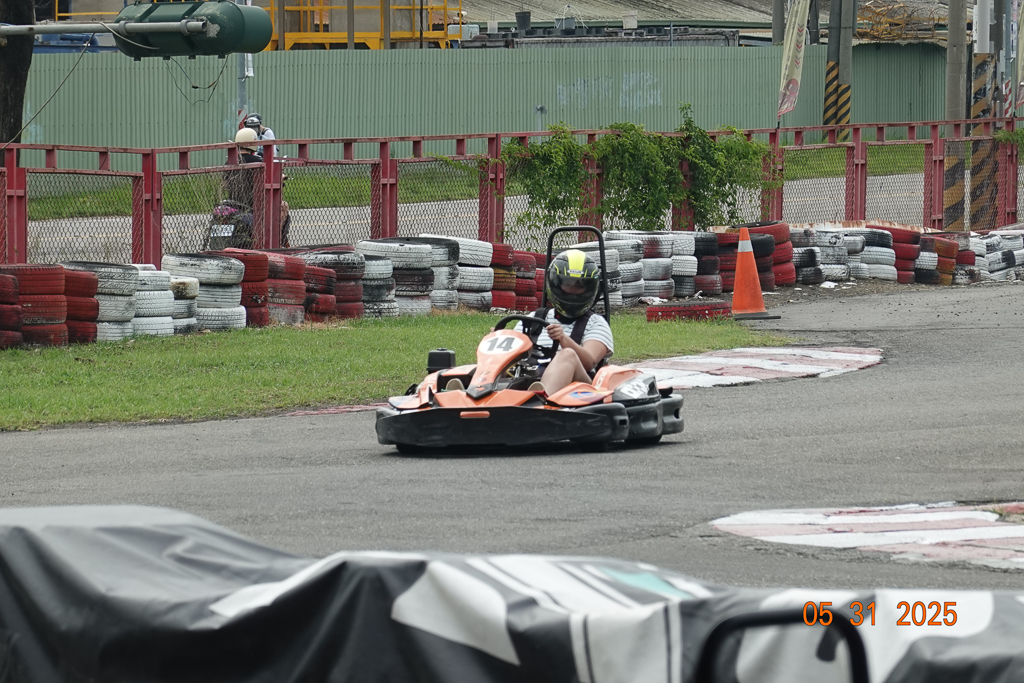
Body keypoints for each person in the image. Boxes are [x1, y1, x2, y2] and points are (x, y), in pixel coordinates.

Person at [517, 248, 613, 395]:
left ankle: (540, 401)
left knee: (567, 355)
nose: (572, 290)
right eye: (567, 284)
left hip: (580, 391)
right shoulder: (534, 318)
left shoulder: (596, 323)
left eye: (579, 286)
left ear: (589, 288)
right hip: (529, 380)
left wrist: (563, 339)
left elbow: (589, 362)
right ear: (556, 284)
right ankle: (482, 399)